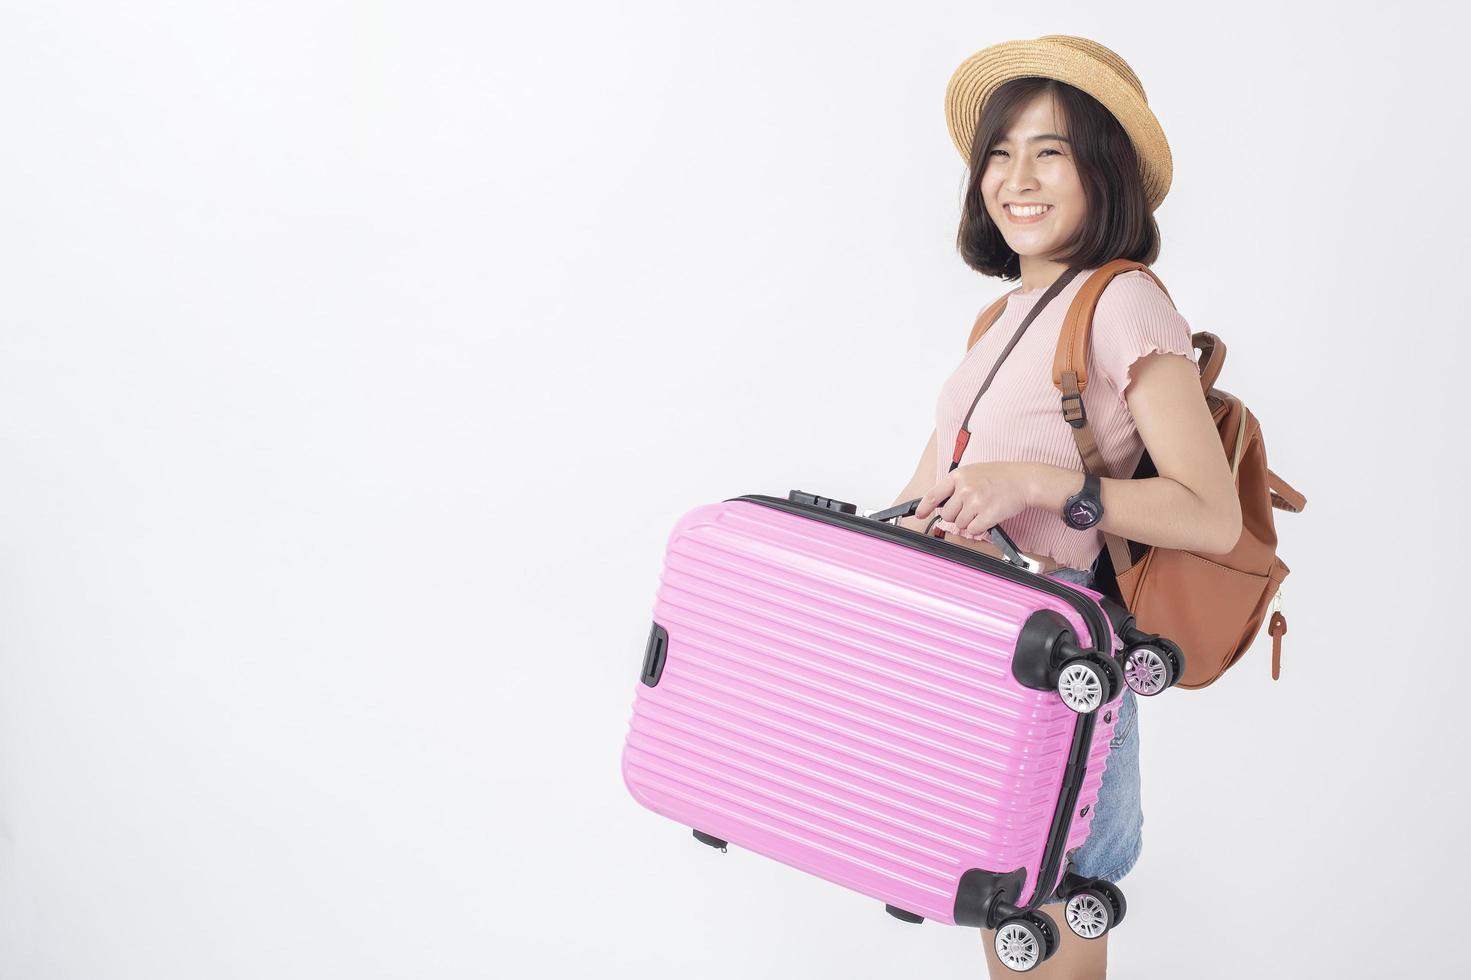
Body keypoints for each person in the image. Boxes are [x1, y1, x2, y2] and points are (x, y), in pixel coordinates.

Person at [887, 37, 1242, 979]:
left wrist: (1038, 485)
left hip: (1066, 666)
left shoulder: (1122, 302)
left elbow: (1210, 517)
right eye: (999, 153)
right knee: (1001, 919)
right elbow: (923, 495)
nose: (1017, 178)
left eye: (1050, 150)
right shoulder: (997, 321)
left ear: (1103, 168)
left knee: (1049, 915)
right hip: (982, 660)